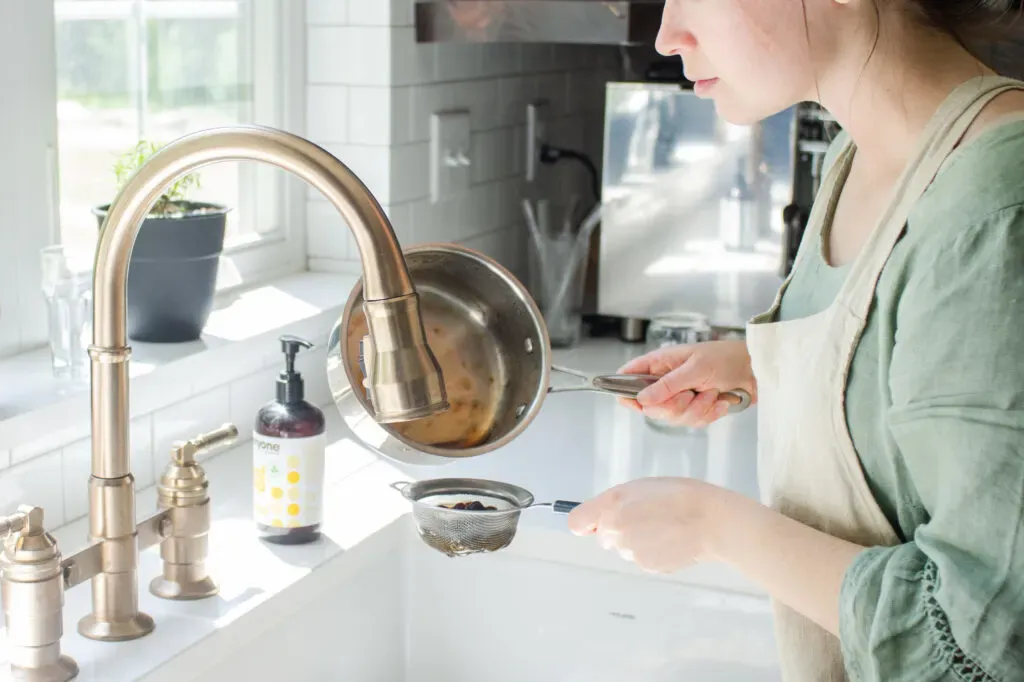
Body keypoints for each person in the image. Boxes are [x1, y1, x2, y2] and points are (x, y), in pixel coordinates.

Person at [566, 1, 1024, 680]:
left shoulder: (995, 206)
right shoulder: (856, 156)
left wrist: (711, 525)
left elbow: (979, 646)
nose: (666, 37)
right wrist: (753, 366)